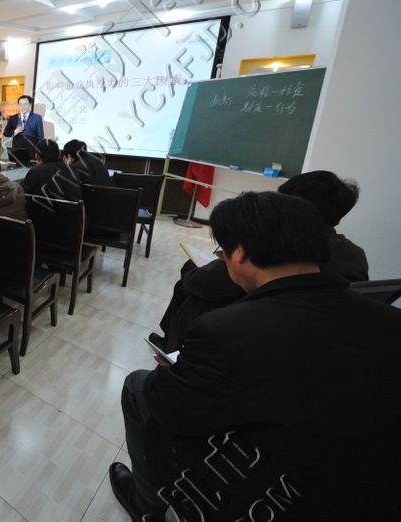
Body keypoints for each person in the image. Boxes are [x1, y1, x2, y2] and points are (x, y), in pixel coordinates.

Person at [110, 192, 401, 522]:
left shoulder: (226, 329)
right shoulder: (389, 319)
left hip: (272, 493)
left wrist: (172, 373)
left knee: (137, 386)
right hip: (368, 488)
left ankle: (147, 505)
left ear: (238, 255)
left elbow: (174, 409)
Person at [154, 170, 371, 352]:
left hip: (260, 337)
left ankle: (171, 348)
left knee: (193, 287)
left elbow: (209, 284)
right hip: (320, 341)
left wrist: (194, 274)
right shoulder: (356, 255)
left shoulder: (282, 248)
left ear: (297, 208)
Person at [3, 95, 45, 164]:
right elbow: (6, 133)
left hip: (31, 152)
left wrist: (38, 152)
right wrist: (14, 131)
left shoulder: (37, 118)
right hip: (16, 151)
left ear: (30, 105)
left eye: (25, 104)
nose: (23, 106)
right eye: (20, 104)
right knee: (16, 169)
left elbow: (41, 137)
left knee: (30, 169)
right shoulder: (13, 118)